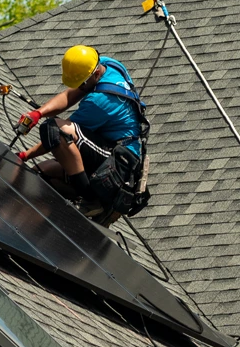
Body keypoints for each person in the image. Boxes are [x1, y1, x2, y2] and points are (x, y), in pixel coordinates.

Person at [14, 46, 147, 220]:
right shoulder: (106, 64)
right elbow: (69, 96)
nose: (80, 88)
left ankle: (92, 200)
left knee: (54, 129)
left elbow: (60, 135)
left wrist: (25, 155)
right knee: (41, 173)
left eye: (82, 83)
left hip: (119, 164)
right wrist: (38, 113)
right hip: (105, 151)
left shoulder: (101, 101)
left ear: (96, 75)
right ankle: (54, 220)